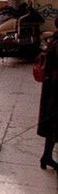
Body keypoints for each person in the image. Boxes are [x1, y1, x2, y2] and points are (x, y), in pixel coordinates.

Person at [38, 20, 58, 172]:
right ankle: (47, 157)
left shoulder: (54, 39)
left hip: (51, 88)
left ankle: (47, 156)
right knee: (54, 125)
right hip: (55, 90)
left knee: (52, 125)